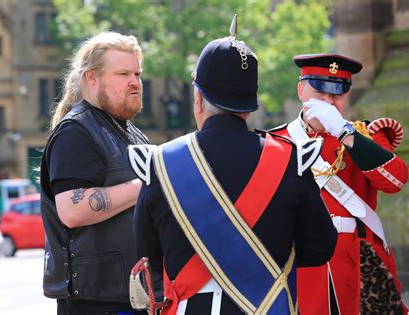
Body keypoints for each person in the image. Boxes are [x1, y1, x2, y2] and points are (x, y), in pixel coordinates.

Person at [129, 17, 337, 315]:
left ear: (198, 98)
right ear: (251, 105)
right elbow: (319, 249)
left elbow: (147, 262)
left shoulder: (160, 164)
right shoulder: (291, 161)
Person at [267, 53, 409, 314]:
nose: (329, 101)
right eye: (319, 91)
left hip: (359, 263)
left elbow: (396, 180)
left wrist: (345, 133)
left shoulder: (364, 135)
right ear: (301, 90)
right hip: (301, 265)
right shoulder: (275, 141)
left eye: (337, 94)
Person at [40, 32, 149, 315]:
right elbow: (72, 209)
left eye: (137, 74)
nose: (135, 82)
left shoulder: (129, 131)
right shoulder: (76, 132)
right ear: (92, 79)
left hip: (133, 296)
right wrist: (146, 186)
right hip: (97, 303)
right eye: (123, 73)